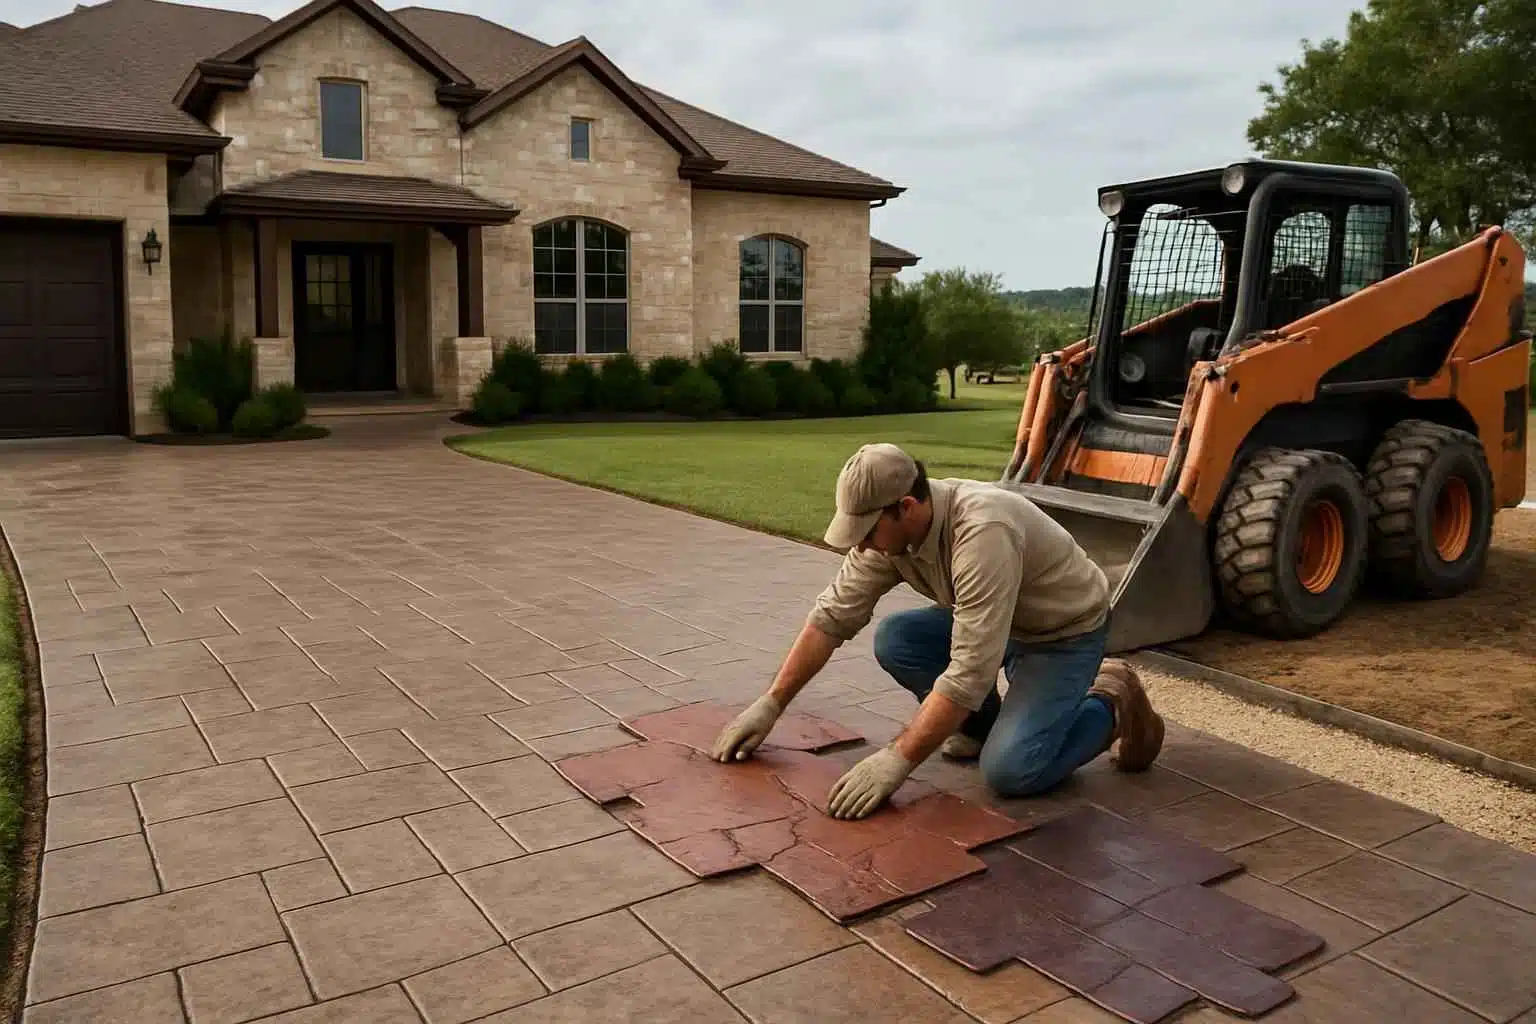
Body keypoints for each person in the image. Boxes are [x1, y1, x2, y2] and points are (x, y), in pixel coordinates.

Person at [710, 442, 1164, 820]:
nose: (862, 544)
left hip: (1061, 634)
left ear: (906, 506)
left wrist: (897, 758)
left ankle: (1111, 701)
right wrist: (770, 705)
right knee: (898, 639)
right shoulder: (888, 536)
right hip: (996, 620)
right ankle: (982, 726)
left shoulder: (982, 531)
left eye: (867, 531)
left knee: (1012, 772)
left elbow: (969, 672)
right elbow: (832, 617)